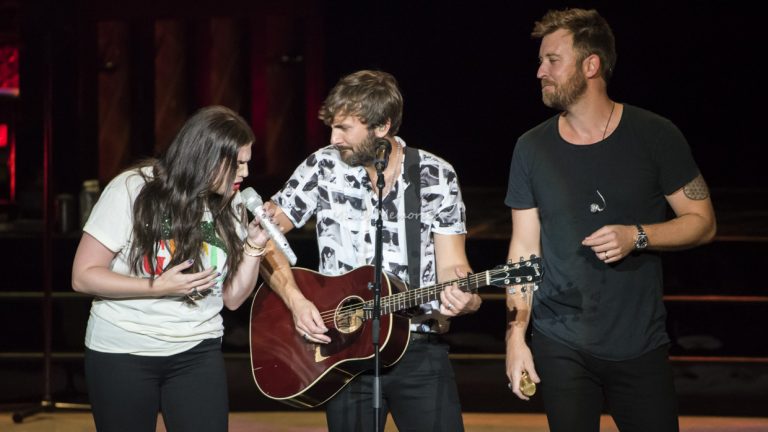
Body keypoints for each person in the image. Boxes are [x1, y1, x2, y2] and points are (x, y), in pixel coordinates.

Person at [503, 8, 716, 432]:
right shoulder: (531, 148)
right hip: (559, 339)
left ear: (591, 65)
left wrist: (637, 235)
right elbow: (523, 249)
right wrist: (515, 336)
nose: (540, 71)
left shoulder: (655, 135)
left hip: (639, 341)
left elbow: (702, 222)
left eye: (552, 60)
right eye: (541, 61)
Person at [261, 69, 482, 431]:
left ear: (382, 126)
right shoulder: (322, 166)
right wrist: (295, 301)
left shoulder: (435, 175)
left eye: (344, 128)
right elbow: (263, 236)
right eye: (333, 127)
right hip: (343, 351)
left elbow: (453, 266)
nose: (333, 139)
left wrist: (466, 298)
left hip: (418, 344)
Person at [71, 105, 271, 432]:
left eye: (247, 162)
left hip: (197, 350)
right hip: (124, 349)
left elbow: (233, 298)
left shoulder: (231, 202)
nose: (245, 173)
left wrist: (254, 246)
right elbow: (83, 275)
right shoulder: (132, 188)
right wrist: (158, 286)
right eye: (238, 163)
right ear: (207, 157)